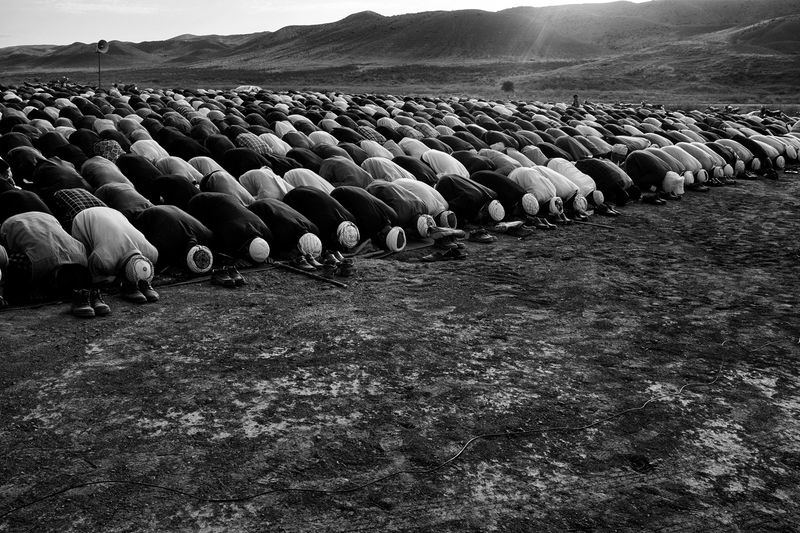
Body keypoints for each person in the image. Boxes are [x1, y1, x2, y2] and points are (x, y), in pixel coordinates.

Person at [0, 210, 110, 317]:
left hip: (46, 218)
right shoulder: (29, 262)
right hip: (13, 223)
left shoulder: (82, 257)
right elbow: (9, 267)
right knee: (10, 263)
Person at [71, 206, 160, 303]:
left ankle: (139, 283)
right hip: (84, 217)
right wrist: (116, 280)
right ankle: (128, 285)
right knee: (84, 259)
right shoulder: (103, 259)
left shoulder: (152, 253)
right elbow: (94, 274)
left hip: (114, 213)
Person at [186, 192, 272, 286]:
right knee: (200, 232)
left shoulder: (266, 233)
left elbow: (264, 248)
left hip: (229, 199)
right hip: (201, 202)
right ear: (246, 249)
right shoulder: (231, 232)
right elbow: (214, 245)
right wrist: (235, 259)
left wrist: (266, 256)